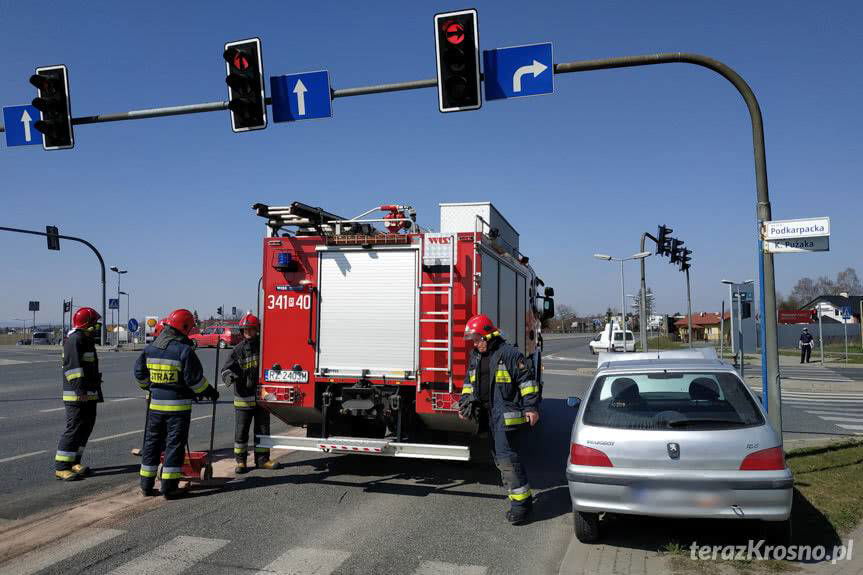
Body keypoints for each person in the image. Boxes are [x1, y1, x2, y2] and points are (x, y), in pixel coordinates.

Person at [458, 314, 540, 525]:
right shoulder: (476, 356)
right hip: (489, 416)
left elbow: (527, 382)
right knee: (499, 458)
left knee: (507, 459)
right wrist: (464, 403)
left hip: (504, 416)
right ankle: (521, 499)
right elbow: (469, 383)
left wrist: (531, 408)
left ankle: (521, 506)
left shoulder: (510, 354)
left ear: (488, 336)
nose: (475, 344)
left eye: (477, 339)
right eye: (473, 340)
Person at [133, 308, 218, 499]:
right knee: (174, 446)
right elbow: (195, 381)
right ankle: (169, 488)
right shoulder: (183, 350)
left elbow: (139, 375)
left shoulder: (151, 348)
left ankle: (146, 485)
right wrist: (209, 392)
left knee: (152, 444)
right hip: (178, 409)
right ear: (184, 327)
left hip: (155, 408)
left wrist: (151, 388)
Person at [220, 313, 279, 473]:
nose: (248, 332)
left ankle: (262, 460)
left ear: (257, 330)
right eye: (245, 330)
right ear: (242, 331)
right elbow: (225, 369)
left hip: (261, 398)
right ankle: (241, 462)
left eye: (251, 329)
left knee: (263, 430)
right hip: (243, 399)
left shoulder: (264, 346)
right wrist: (230, 376)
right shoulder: (238, 350)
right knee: (241, 432)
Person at [55, 307, 103, 481]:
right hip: (77, 395)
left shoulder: (86, 339)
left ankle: (74, 461)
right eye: (95, 323)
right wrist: (80, 390)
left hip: (88, 393)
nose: (97, 326)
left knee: (85, 428)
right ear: (86, 324)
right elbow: (72, 368)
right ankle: (62, 467)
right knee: (74, 429)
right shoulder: (74, 340)